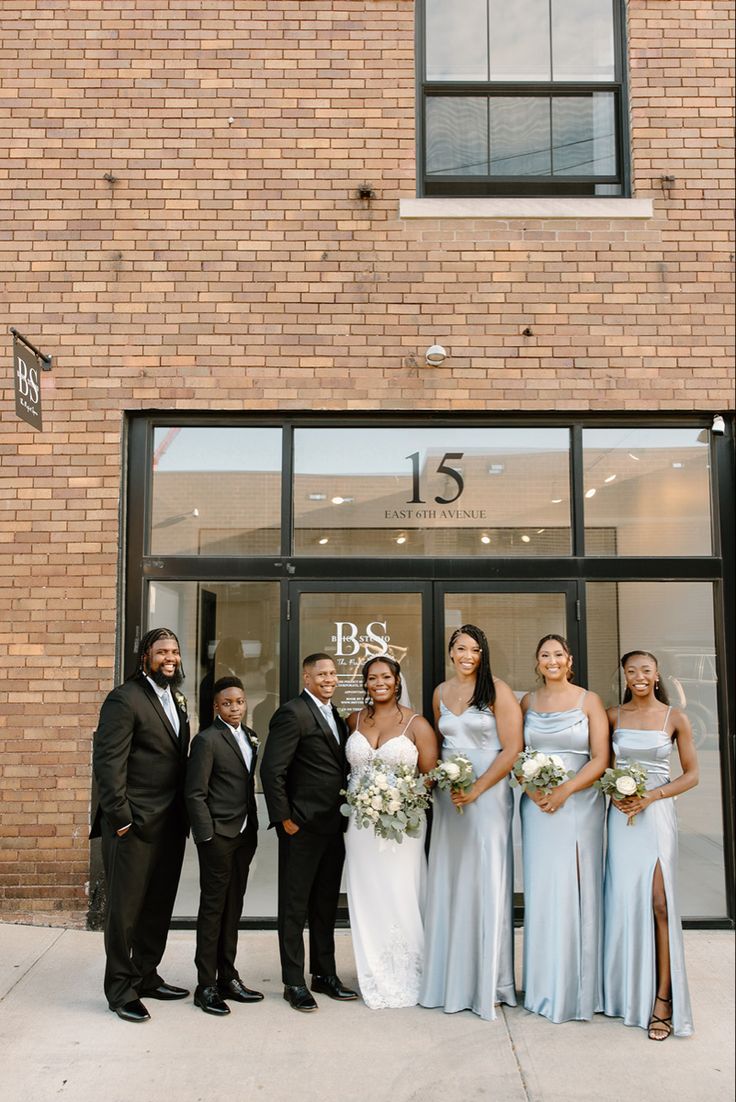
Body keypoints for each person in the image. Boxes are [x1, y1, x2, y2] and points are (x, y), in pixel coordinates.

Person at [420, 625, 522, 1020]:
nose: (467, 655)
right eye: (460, 648)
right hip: (451, 798)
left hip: (488, 794)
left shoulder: (498, 690)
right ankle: (451, 975)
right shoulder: (441, 692)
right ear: (450, 651)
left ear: (484, 654)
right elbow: (441, 745)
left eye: (475, 649)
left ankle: (489, 980)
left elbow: (513, 748)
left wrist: (478, 788)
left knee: (484, 879)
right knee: (451, 877)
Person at [90, 627, 190, 1023]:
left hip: (169, 824)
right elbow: (108, 764)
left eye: (175, 651)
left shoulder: (175, 700)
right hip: (132, 826)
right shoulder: (124, 699)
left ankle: (146, 974)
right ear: (145, 656)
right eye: (162, 650)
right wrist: (121, 820)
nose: (170, 657)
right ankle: (119, 989)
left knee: (157, 907)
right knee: (124, 912)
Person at [603, 650, 698, 1040]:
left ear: (657, 674)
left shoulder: (675, 718)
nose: (639, 676)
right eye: (631, 671)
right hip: (621, 817)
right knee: (625, 901)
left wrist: (652, 797)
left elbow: (692, 775)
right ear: (624, 676)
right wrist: (615, 795)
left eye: (645, 670)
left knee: (659, 903)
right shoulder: (614, 716)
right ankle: (625, 990)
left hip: (656, 817)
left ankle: (663, 998)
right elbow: (604, 765)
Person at [260, 653, 358, 1011]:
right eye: (322, 674)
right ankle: (292, 981)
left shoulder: (336, 715)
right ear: (307, 676)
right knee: (294, 905)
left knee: (324, 904)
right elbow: (272, 771)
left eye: (333, 673)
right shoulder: (293, 713)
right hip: (301, 827)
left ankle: (325, 974)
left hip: (334, 826)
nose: (329, 679)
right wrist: (286, 818)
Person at [520, 633, 608, 1023]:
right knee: (543, 891)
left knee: (578, 887)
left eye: (558, 654)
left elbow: (600, 757)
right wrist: (532, 789)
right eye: (545, 655)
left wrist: (566, 790)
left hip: (580, 804)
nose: (552, 661)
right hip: (537, 806)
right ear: (537, 662)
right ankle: (543, 987)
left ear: (569, 660)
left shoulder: (589, 701)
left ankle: (580, 988)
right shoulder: (527, 701)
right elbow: (516, 753)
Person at [344, 656, 436, 1009]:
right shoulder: (353, 721)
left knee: (401, 893)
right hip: (361, 826)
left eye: (385, 677)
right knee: (367, 895)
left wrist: (399, 801)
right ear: (365, 683)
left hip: (405, 826)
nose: (378, 682)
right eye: (371, 678)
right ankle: (373, 973)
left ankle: (411, 970)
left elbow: (429, 777)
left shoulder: (417, 724)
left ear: (397, 681)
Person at [185, 676, 264, 1016]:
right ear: (216, 707)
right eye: (228, 703)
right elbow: (195, 793)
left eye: (240, 702)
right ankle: (205, 985)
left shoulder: (249, 736)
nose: (235, 708)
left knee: (233, 907)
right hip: (217, 837)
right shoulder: (207, 740)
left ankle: (227, 977)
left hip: (245, 835)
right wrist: (206, 836)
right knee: (213, 909)